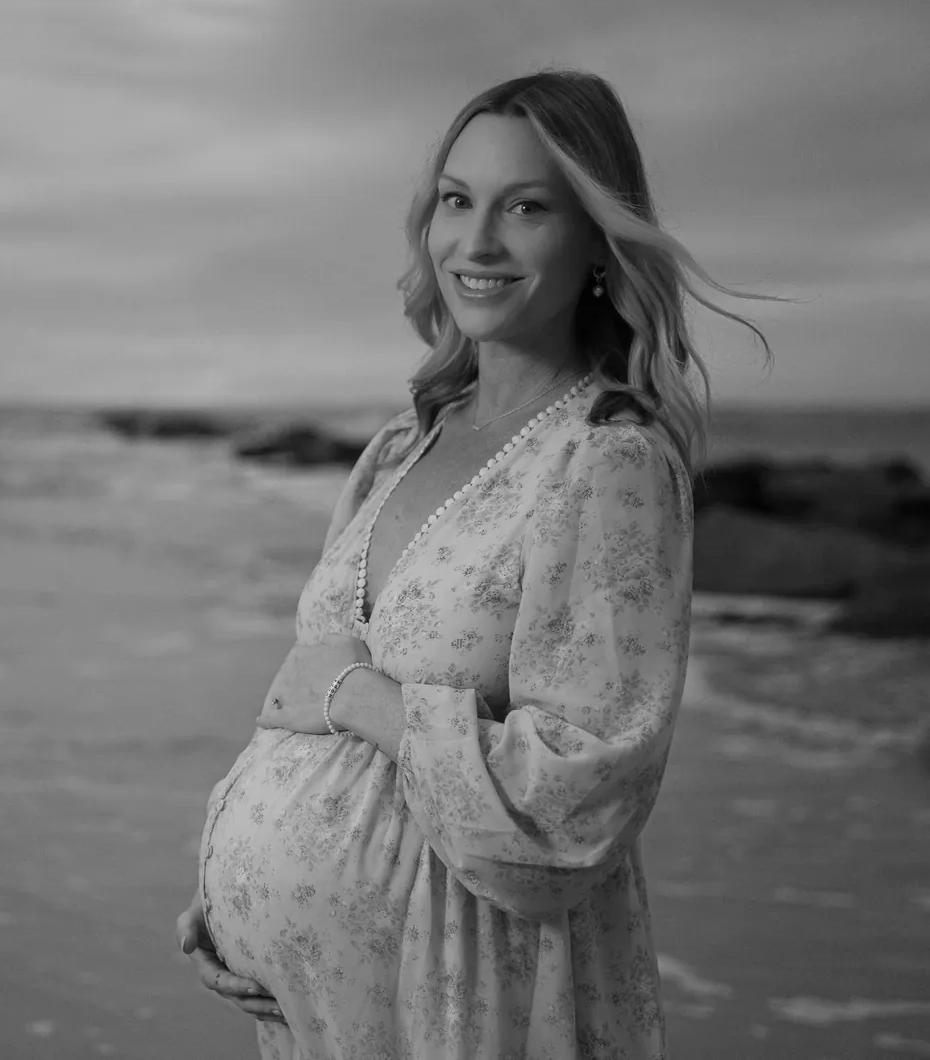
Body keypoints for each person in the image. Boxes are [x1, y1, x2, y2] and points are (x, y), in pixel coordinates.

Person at [173, 70, 770, 1059]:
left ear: (593, 242)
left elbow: (579, 801)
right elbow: (304, 712)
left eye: (525, 207)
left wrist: (367, 699)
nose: (476, 242)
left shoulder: (605, 459)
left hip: (462, 995)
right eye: (456, 201)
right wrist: (224, 891)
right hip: (310, 1013)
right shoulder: (400, 446)